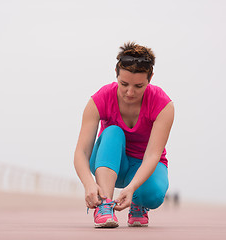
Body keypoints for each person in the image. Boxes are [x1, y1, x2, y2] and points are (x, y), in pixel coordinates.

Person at [74, 42, 174, 228]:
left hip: (144, 164)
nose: (130, 92)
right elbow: (81, 152)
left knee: (152, 195)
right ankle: (104, 206)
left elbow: (153, 154)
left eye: (138, 86)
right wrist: (88, 183)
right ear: (116, 73)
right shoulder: (100, 98)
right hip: (110, 162)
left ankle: (139, 203)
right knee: (112, 131)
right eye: (124, 84)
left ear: (150, 77)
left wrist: (133, 188)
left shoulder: (163, 105)